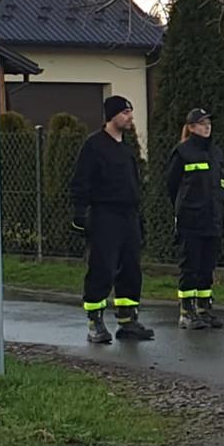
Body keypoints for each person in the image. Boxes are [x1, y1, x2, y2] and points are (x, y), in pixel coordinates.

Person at [71, 96, 154, 343]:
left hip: (128, 215)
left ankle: (128, 321)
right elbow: (81, 181)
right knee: (102, 268)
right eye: (125, 112)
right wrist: (80, 213)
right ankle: (95, 322)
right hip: (105, 215)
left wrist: (139, 217)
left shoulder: (125, 149)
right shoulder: (94, 145)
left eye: (131, 112)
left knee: (131, 268)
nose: (130, 117)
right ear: (112, 115)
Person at [163, 108, 224, 330]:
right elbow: (172, 185)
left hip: (213, 217)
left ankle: (204, 309)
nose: (207, 126)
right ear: (191, 127)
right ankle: (186, 311)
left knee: (207, 266)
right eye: (201, 123)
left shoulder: (216, 152)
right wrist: (184, 207)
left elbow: (221, 182)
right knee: (190, 266)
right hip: (191, 219)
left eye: (208, 122)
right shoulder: (183, 151)